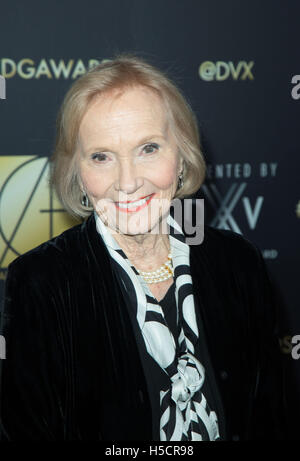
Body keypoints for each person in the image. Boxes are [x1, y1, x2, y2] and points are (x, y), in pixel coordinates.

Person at [0, 55, 286, 441]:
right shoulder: (43, 282)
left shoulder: (237, 262)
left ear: (182, 157)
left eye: (148, 148)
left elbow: (272, 416)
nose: (128, 181)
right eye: (101, 157)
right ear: (78, 175)